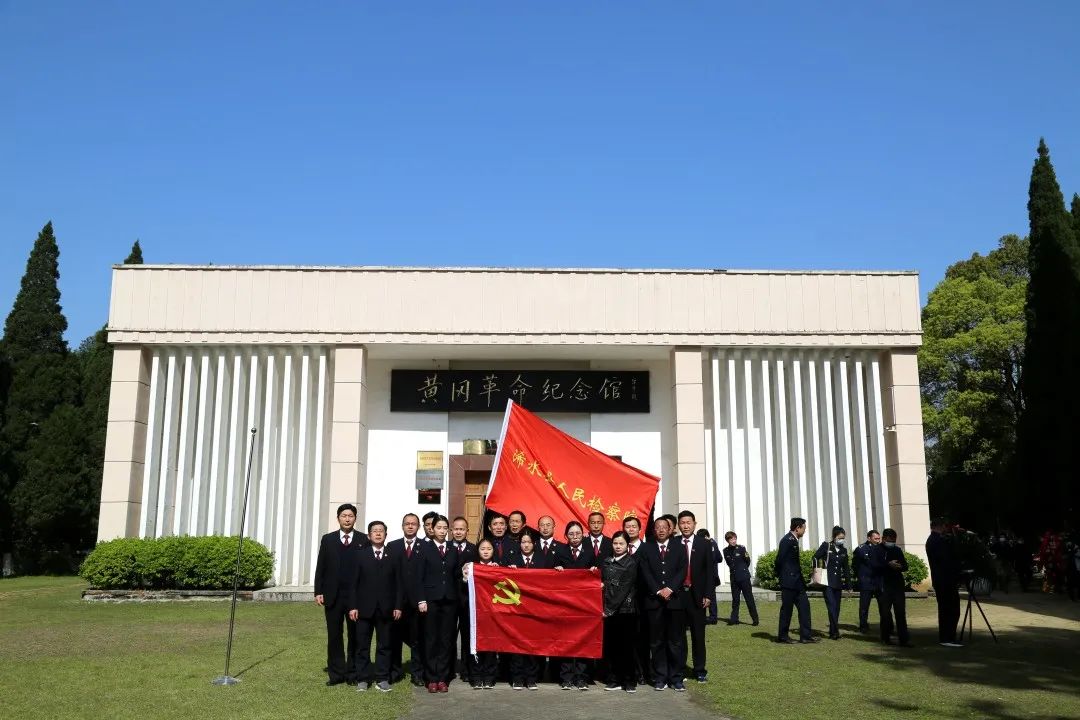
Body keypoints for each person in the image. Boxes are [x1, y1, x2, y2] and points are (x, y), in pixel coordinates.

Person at [313, 503, 367, 686]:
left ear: (355, 518)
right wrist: (318, 591)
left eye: (350, 516)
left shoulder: (363, 539)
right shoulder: (327, 540)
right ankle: (336, 674)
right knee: (334, 636)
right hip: (332, 595)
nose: (347, 519)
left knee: (355, 636)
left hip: (355, 597)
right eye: (343, 515)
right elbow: (321, 566)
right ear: (338, 518)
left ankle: (352, 673)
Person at [348, 520, 403, 692]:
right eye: (375, 531)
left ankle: (382, 678)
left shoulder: (393, 555)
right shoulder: (360, 555)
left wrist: (398, 606)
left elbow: (399, 584)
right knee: (362, 645)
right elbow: (353, 584)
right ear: (369, 535)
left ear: (386, 535)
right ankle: (363, 679)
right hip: (364, 609)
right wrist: (353, 606)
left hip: (386, 609)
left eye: (381, 531)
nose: (378, 533)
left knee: (384, 645)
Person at [638, 515, 689, 691]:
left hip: (675, 601)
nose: (661, 530)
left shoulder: (679, 547)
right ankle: (660, 677)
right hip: (654, 602)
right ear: (654, 530)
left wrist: (671, 588)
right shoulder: (646, 548)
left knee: (675, 641)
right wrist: (659, 590)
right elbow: (645, 572)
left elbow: (682, 570)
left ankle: (676, 678)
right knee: (656, 641)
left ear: (670, 530)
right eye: (657, 527)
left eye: (664, 527)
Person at [415, 515, 461, 693]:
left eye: (444, 528)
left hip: (449, 601)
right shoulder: (424, 548)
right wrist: (421, 599)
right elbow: (418, 577)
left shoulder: (452, 548)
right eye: (439, 527)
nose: (442, 531)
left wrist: (465, 572)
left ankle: (443, 677)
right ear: (432, 529)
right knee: (431, 639)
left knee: (446, 640)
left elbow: (456, 574)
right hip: (430, 601)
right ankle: (431, 678)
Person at [554, 520, 596, 690]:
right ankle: (566, 677)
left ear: (583, 535)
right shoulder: (560, 551)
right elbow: (550, 575)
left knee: (582, 641)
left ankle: (581, 677)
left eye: (578, 533)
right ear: (566, 536)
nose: (575, 537)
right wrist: (556, 570)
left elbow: (596, 571)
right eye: (571, 534)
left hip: (584, 605)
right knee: (565, 641)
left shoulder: (589, 552)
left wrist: (593, 572)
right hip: (565, 604)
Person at [387, 513, 425, 684]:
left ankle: (417, 673)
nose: (410, 526)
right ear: (402, 526)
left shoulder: (425, 546)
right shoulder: (392, 546)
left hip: (418, 601)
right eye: (407, 524)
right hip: (397, 602)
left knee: (417, 639)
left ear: (419, 527)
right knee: (395, 638)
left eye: (414, 524)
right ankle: (395, 671)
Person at [601, 531, 639, 694]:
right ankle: (613, 679)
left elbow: (624, 590)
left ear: (627, 545)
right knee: (611, 647)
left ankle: (629, 681)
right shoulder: (607, 561)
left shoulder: (630, 563)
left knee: (627, 647)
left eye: (621, 544)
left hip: (625, 611)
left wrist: (609, 610)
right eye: (615, 543)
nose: (617, 546)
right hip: (608, 612)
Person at [676, 510, 712, 683]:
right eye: (682, 523)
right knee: (679, 635)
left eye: (688, 522)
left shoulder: (704, 544)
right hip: (678, 595)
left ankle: (699, 670)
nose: (685, 526)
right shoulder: (674, 543)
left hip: (697, 596)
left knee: (698, 635)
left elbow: (710, 572)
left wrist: (708, 594)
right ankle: (680, 668)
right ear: (678, 525)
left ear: (694, 524)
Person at [463, 538, 500, 689]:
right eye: (482, 548)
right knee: (475, 645)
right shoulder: (470, 566)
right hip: (475, 613)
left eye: (489, 549)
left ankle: (489, 676)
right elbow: (465, 583)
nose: (485, 551)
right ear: (477, 551)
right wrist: (468, 574)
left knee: (491, 645)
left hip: (493, 614)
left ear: (493, 551)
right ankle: (476, 677)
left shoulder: (498, 567)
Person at [509, 532, 544, 690]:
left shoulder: (542, 561)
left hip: (535, 610)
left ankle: (531, 678)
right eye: (523, 542)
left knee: (533, 645)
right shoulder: (513, 560)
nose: (526, 545)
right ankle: (517, 678)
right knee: (516, 645)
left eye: (529, 542)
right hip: (516, 610)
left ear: (534, 544)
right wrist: (509, 571)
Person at [622, 515, 651, 686]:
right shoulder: (619, 547)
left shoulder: (647, 549)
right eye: (628, 526)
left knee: (643, 639)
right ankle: (630, 672)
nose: (631, 529)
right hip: (623, 602)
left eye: (634, 526)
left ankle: (644, 672)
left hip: (643, 601)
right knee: (627, 639)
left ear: (639, 529)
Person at [775, 517, 815, 644]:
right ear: (798, 528)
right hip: (788, 582)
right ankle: (783, 636)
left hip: (798, 582)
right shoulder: (787, 540)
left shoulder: (794, 540)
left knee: (804, 607)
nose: (805, 531)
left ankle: (806, 636)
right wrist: (783, 577)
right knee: (787, 610)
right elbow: (779, 560)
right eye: (804, 528)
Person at [926, 517, 962, 647]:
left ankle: (948, 636)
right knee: (949, 609)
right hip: (945, 579)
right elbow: (946, 560)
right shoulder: (937, 541)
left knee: (949, 609)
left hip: (942, 579)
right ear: (940, 526)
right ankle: (947, 637)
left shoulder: (935, 540)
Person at [450, 517, 478, 685]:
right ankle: (449, 669)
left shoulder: (474, 550)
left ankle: (467, 670)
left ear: (467, 531)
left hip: (468, 600)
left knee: (468, 636)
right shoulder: (445, 548)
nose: (459, 532)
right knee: (449, 637)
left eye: (462, 529)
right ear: (451, 530)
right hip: (450, 599)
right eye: (456, 529)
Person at [873, 528, 912, 647]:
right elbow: (874, 566)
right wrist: (888, 565)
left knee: (900, 613)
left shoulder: (897, 550)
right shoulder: (876, 550)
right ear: (884, 539)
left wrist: (899, 566)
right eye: (890, 540)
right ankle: (885, 638)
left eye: (894, 540)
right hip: (884, 586)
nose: (892, 543)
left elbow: (905, 566)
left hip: (897, 586)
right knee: (885, 614)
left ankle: (903, 639)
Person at [813, 525, 851, 640]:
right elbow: (815, 557)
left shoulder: (844, 550)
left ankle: (832, 631)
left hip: (838, 583)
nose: (842, 540)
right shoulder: (826, 546)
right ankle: (835, 632)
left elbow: (846, 569)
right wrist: (817, 569)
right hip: (827, 582)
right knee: (832, 607)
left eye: (843, 538)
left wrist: (849, 585)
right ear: (834, 537)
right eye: (840, 537)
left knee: (837, 608)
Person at [721, 531, 759, 626]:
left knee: (749, 599)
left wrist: (742, 570)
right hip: (734, 578)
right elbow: (729, 563)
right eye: (731, 539)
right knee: (735, 599)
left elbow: (747, 561)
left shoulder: (741, 548)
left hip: (744, 577)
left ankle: (755, 619)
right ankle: (734, 619)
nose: (733, 541)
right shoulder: (725, 551)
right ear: (727, 540)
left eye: (734, 538)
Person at [851, 530, 882, 632]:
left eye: (879, 538)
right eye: (875, 538)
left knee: (883, 606)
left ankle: (887, 626)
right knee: (864, 605)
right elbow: (855, 564)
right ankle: (863, 626)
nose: (878, 540)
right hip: (866, 581)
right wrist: (860, 576)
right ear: (869, 538)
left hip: (878, 581)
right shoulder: (861, 549)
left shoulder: (881, 548)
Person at [696, 529, 721, 625]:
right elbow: (719, 558)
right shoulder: (713, 543)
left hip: (705, 575)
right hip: (712, 575)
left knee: (704, 596)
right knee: (711, 597)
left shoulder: (704, 544)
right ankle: (713, 617)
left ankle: (706, 617)